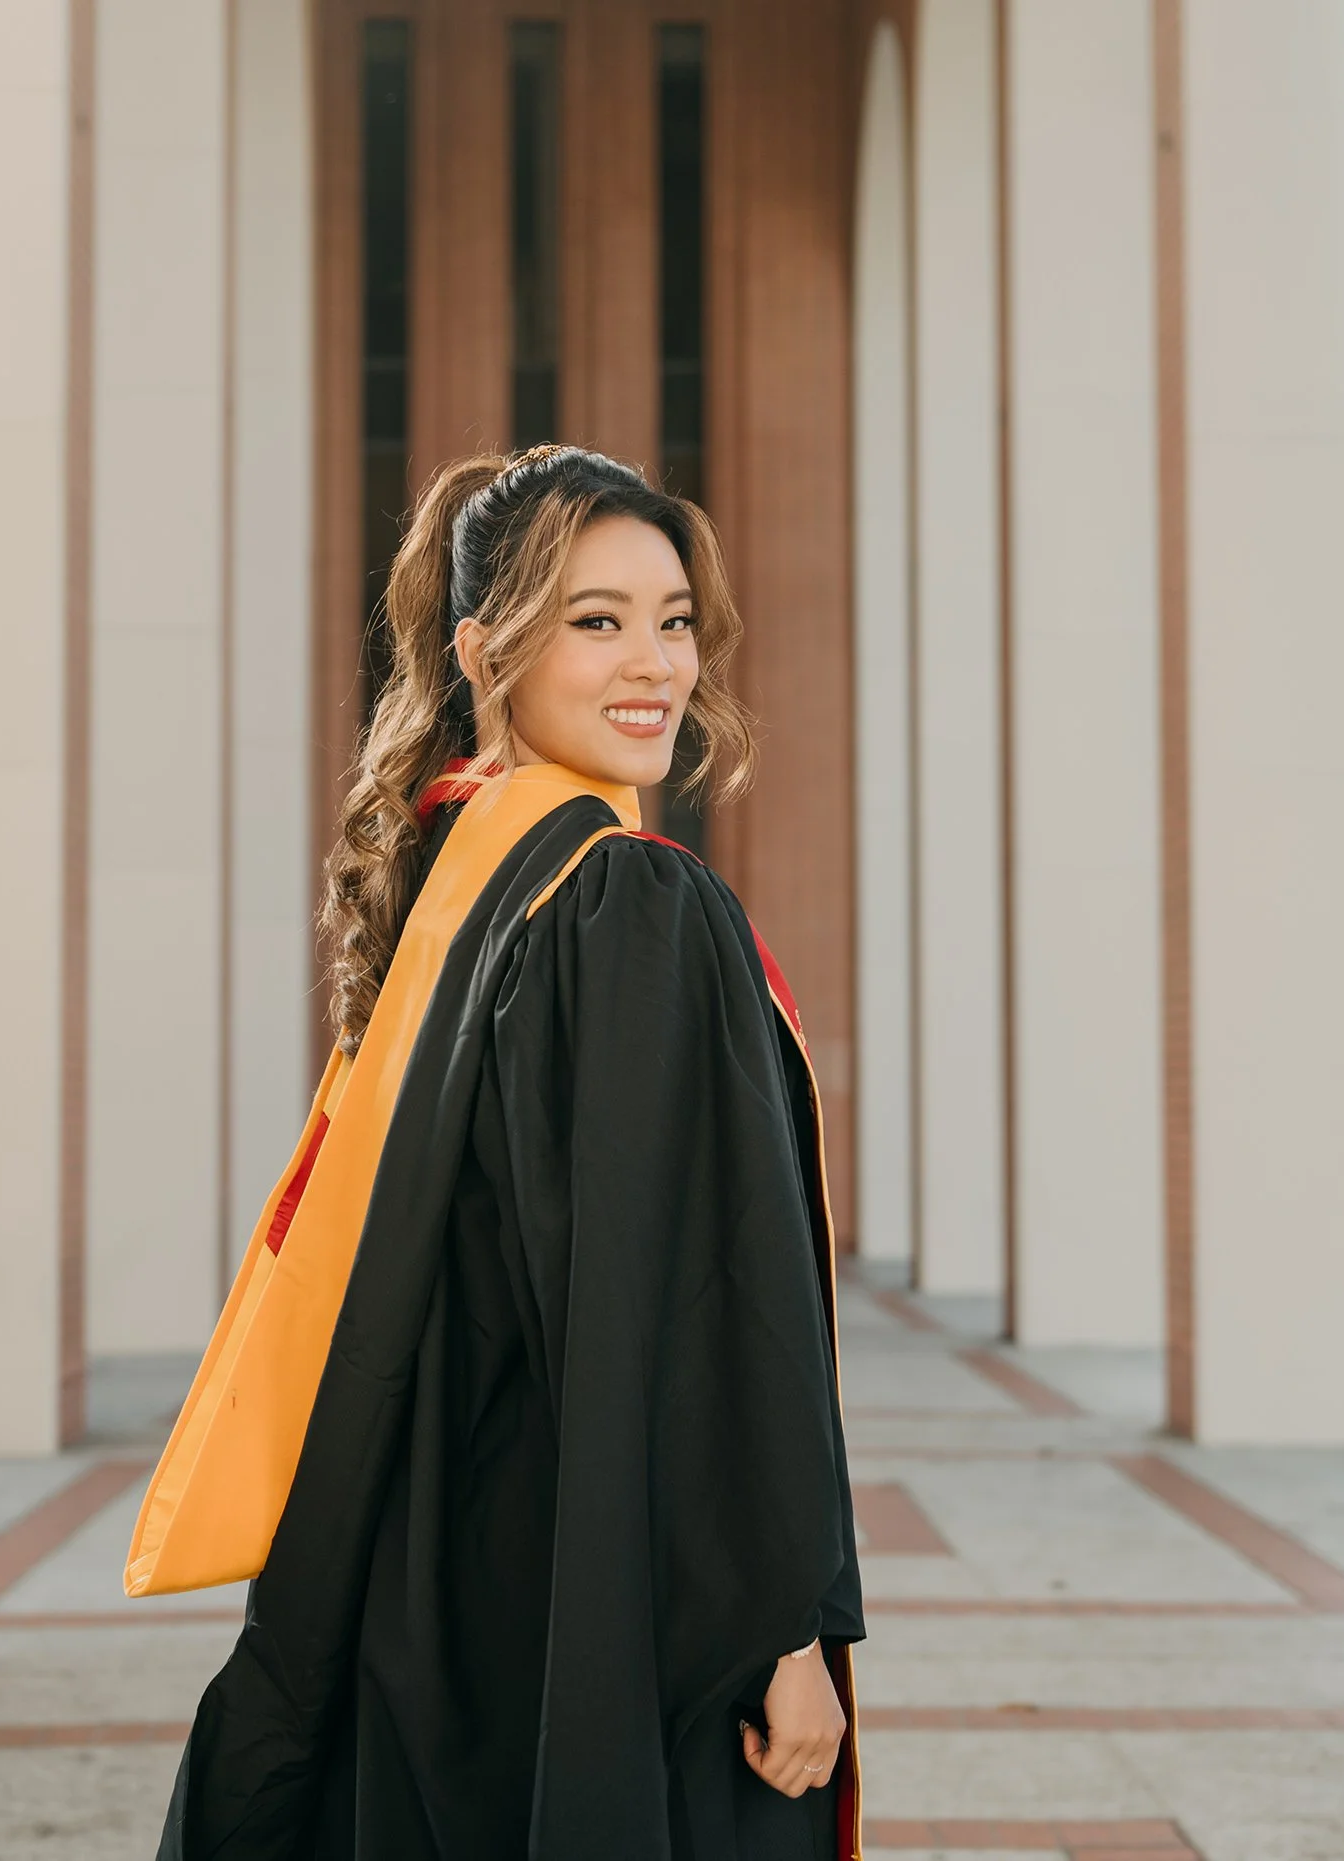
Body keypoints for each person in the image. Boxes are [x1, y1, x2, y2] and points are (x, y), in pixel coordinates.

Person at [132, 446, 863, 1860]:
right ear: (484, 650)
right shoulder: (625, 901)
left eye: (673, 619)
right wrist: (782, 1629)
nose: (655, 663)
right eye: (597, 620)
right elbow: (700, 1298)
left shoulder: (462, 875)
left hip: (429, 1576)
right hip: (595, 1595)